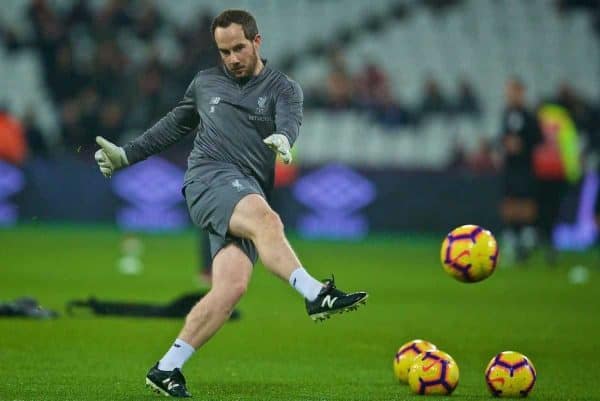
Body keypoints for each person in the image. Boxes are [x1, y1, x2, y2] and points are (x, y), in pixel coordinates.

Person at [93, 9, 368, 397]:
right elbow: (175, 123)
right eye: (224, 52)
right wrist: (127, 154)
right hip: (208, 178)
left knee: (230, 288)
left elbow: (290, 118)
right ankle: (315, 293)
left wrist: (285, 139)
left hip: (245, 186)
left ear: (257, 41)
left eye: (239, 48)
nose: (233, 58)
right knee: (267, 220)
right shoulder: (205, 83)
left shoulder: (283, 88)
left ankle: (167, 367)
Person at [498, 78, 542, 264]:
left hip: (525, 165)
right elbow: (502, 136)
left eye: (514, 91)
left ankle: (526, 235)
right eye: (509, 91)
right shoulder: (507, 114)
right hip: (510, 166)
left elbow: (538, 139)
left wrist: (522, 144)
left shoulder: (529, 116)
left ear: (521, 93)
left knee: (525, 200)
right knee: (509, 200)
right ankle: (511, 235)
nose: (511, 95)